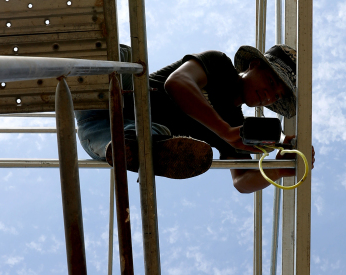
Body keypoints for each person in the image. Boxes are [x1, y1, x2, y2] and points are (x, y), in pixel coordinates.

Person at [76, 44, 306, 194]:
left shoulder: (238, 128)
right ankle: (142, 148)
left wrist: (277, 170)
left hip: (105, 130)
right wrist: (224, 131)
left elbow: (242, 180)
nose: (269, 95)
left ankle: (141, 150)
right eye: (272, 82)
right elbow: (177, 83)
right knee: (123, 55)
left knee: (134, 141)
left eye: (276, 96)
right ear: (254, 65)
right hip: (114, 94)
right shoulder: (219, 66)